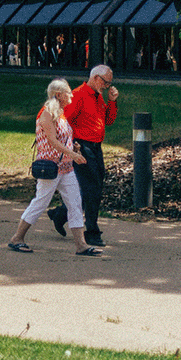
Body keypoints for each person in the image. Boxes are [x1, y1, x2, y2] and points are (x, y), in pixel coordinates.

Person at [9, 79, 100, 255]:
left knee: (75, 203)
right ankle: (16, 238)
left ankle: (81, 245)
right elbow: (52, 141)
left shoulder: (61, 113)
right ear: (59, 94)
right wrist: (73, 154)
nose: (71, 95)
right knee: (41, 202)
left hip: (66, 167)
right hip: (51, 167)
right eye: (68, 92)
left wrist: (73, 148)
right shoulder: (47, 114)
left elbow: (62, 139)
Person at [53, 63, 119, 247]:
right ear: (96, 78)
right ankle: (92, 230)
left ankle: (59, 214)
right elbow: (64, 121)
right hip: (82, 146)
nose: (107, 86)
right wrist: (71, 146)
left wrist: (112, 101)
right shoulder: (79, 95)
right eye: (106, 82)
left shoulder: (97, 97)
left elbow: (108, 120)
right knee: (92, 188)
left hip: (95, 146)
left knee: (91, 187)